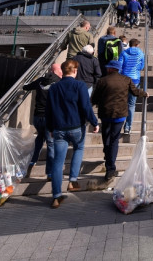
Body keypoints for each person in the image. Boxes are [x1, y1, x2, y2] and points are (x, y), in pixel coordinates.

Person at [45, 60, 99, 208]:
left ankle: (56, 196)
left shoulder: (54, 88)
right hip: (76, 127)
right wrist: (94, 122)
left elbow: (48, 110)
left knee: (58, 161)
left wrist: (49, 128)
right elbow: (86, 106)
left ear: (62, 71)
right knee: (79, 148)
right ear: (75, 71)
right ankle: (72, 180)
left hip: (59, 129)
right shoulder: (80, 85)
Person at [91, 60, 143, 181]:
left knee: (106, 136)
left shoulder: (102, 81)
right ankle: (110, 168)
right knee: (114, 139)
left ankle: (107, 155)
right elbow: (135, 92)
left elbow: (95, 98)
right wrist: (145, 94)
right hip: (120, 114)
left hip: (105, 113)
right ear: (118, 69)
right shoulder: (126, 80)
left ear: (110, 69)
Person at [23, 63, 62, 178]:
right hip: (49, 117)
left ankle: (32, 161)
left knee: (40, 137)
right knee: (50, 143)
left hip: (37, 117)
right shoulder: (59, 82)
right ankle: (49, 172)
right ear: (57, 71)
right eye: (60, 70)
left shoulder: (40, 80)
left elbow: (26, 87)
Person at [118, 38, 145, 134]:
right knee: (131, 104)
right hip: (135, 79)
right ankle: (128, 127)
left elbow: (119, 66)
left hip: (124, 79)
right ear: (137, 45)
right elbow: (142, 67)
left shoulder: (124, 53)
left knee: (122, 102)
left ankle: (119, 124)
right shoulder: (141, 54)